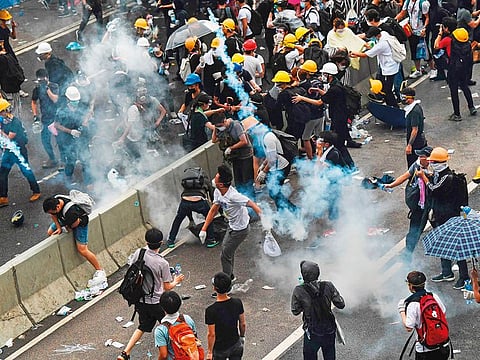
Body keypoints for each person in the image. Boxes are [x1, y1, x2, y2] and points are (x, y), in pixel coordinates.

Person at [117, 228, 185, 360]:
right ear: (161, 242)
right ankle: (178, 352)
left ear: (146, 241)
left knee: (142, 326)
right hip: (157, 302)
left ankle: (125, 352)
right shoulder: (162, 263)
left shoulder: (139, 253)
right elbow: (167, 287)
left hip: (140, 300)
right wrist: (176, 280)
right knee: (172, 326)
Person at [416, 147, 468, 289]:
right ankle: (446, 272)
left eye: (433, 162)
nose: (431, 164)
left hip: (450, 217)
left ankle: (464, 277)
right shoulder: (439, 175)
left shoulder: (448, 178)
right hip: (440, 215)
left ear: (441, 162)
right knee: (443, 245)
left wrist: (424, 178)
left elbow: (434, 189)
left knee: (457, 248)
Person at [200, 165, 263, 282]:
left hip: (240, 230)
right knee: (227, 251)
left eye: (217, 177)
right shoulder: (218, 192)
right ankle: (230, 276)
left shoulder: (233, 196)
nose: (214, 178)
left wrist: (262, 215)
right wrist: (204, 229)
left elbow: (251, 203)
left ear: (221, 184)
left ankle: (226, 282)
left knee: (225, 254)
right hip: (232, 225)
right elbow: (213, 209)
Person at [42, 195, 106, 287]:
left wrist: (67, 228)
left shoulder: (71, 212)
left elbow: (75, 223)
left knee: (82, 249)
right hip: (65, 219)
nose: (51, 214)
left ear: (58, 207)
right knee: (50, 232)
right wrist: (59, 227)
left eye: (52, 211)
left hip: (79, 223)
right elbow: (53, 215)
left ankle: (99, 269)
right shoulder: (56, 200)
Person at [385, 146, 433, 263]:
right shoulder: (417, 165)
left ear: (428, 159)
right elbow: (404, 176)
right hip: (419, 206)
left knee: (442, 232)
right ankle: (408, 254)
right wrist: (391, 185)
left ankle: (447, 269)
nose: (419, 157)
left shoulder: (435, 170)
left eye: (422, 156)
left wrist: (424, 176)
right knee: (414, 231)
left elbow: (434, 189)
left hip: (433, 206)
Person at [291, 260, 345, 360]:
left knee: (309, 356)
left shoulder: (299, 290)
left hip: (312, 333)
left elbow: (295, 311)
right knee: (330, 356)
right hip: (329, 330)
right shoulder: (328, 285)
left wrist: (305, 302)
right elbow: (341, 304)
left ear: (303, 275)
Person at [398, 271, 451, 359]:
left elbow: (408, 327)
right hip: (443, 346)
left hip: (425, 350)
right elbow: (443, 312)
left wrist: (402, 310)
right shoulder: (433, 296)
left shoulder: (413, 304)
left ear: (410, 286)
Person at [0, 99, 41, 207]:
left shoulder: (15, 122)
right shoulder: (3, 120)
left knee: (26, 171)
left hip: (18, 151)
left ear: (4, 111)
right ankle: (3, 197)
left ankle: (36, 191)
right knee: (3, 173)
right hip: (8, 151)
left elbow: (9, 137)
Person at [167, 166, 219, 249]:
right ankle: (211, 240)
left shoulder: (187, 182)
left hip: (184, 202)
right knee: (209, 217)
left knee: (178, 219)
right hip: (199, 202)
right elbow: (213, 197)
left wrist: (191, 219)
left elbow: (188, 197)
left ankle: (170, 240)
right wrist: (219, 210)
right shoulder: (204, 180)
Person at [350, 27, 400, 107]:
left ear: (375, 36)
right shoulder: (384, 33)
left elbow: (364, 55)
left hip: (389, 69)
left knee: (387, 90)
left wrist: (353, 53)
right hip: (389, 65)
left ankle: (394, 106)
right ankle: (388, 102)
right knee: (384, 87)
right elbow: (364, 36)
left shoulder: (382, 45)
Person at [211, 112, 254, 199]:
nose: (219, 127)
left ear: (225, 121)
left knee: (247, 181)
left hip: (245, 156)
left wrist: (231, 148)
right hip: (235, 157)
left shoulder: (236, 126)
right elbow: (214, 140)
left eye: (220, 125)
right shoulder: (221, 129)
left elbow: (244, 141)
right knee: (238, 182)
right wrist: (216, 128)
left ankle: (252, 200)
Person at [55, 86, 92, 186]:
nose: (76, 102)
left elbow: (89, 112)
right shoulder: (61, 111)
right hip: (69, 139)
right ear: (67, 99)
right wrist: (70, 131)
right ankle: (68, 178)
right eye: (73, 100)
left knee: (86, 160)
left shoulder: (82, 106)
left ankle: (88, 182)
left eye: (77, 100)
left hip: (82, 138)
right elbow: (57, 125)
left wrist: (86, 120)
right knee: (71, 160)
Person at [205, 271, 246, 360]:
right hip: (235, 344)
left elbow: (211, 334)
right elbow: (242, 324)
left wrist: (210, 352)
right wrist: (242, 337)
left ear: (214, 288)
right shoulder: (237, 302)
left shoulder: (211, 310)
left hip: (220, 349)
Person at [155, 291, 200, 360]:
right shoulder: (187, 319)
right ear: (179, 304)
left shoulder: (160, 330)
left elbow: (163, 355)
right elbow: (195, 338)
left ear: (162, 307)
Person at [395, 0, 432, 79]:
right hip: (412, 31)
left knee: (425, 50)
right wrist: (394, 20)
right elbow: (403, 13)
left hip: (421, 30)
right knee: (414, 51)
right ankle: (418, 70)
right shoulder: (408, 2)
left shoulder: (423, 3)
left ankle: (433, 68)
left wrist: (424, 28)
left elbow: (427, 17)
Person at [445, 27, 476, 121]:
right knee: (465, 87)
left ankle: (457, 114)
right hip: (464, 70)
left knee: (454, 91)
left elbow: (438, 47)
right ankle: (471, 107)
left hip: (453, 70)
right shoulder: (468, 46)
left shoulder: (452, 44)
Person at [31, 69, 60, 169]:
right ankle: (52, 159)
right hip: (45, 119)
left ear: (47, 78)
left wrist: (47, 89)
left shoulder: (54, 86)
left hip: (56, 119)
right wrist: (35, 115)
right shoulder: (37, 89)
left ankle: (65, 160)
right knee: (45, 141)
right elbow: (34, 102)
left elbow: (55, 99)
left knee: (60, 140)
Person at [400, 87, 427, 168]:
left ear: (410, 98)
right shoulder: (415, 107)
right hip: (420, 140)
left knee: (413, 165)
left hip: (416, 142)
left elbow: (414, 130)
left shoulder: (414, 111)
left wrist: (409, 145)